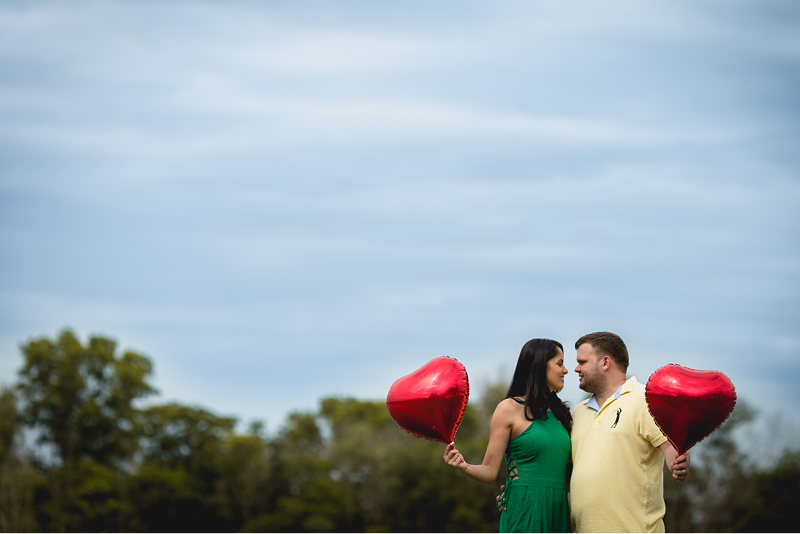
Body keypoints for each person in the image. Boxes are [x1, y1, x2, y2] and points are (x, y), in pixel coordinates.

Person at [443, 339, 572, 533]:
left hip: (559, 510)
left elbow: (569, 474)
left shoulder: (562, 415)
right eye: (559, 364)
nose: (565, 370)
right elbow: (489, 471)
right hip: (525, 509)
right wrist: (464, 466)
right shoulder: (508, 409)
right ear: (539, 366)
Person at [569, 331, 690, 532]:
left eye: (582, 362)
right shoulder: (578, 412)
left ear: (605, 363)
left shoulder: (646, 399)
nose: (576, 368)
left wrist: (680, 463)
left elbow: (674, 451)